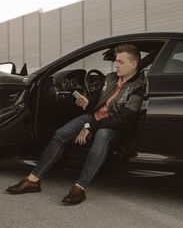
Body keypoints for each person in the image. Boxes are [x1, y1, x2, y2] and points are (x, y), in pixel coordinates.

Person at [6, 43, 145, 205]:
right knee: (60, 134)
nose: (116, 65)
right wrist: (87, 102)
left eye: (120, 62)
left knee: (102, 134)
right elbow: (98, 100)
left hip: (115, 128)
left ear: (133, 64)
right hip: (94, 118)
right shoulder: (111, 78)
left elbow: (123, 119)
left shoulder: (139, 85)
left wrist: (90, 127)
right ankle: (32, 180)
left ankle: (79, 187)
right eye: (116, 61)